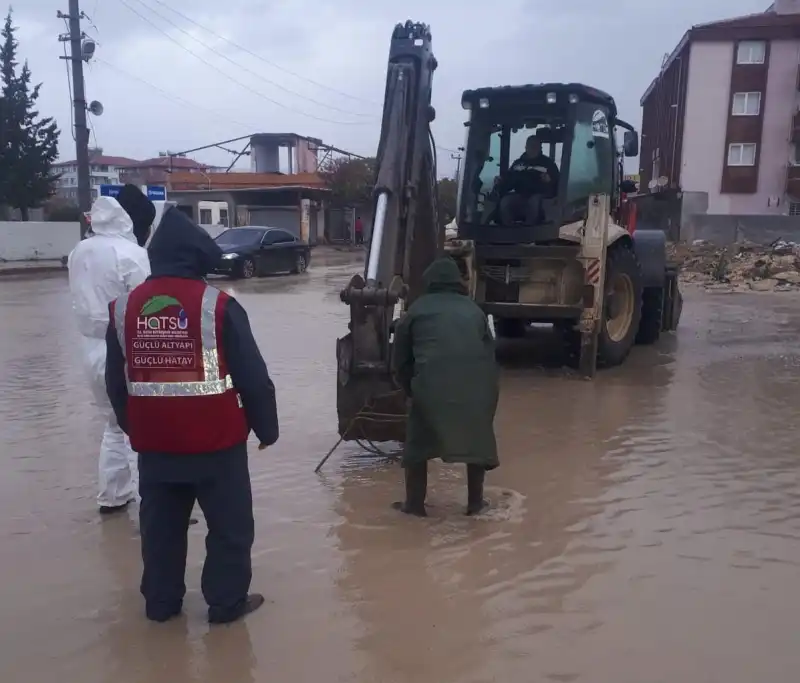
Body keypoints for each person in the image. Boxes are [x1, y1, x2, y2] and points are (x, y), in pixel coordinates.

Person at [105, 206, 279, 624]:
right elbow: (254, 377)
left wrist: (136, 428)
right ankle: (225, 604)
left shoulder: (122, 308)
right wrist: (267, 428)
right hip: (217, 445)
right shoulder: (218, 306)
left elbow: (116, 383)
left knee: (160, 530)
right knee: (229, 529)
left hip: (155, 447)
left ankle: (162, 605)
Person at [391, 256, 499, 517]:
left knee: (417, 445)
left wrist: (412, 391)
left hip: (429, 389)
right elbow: (489, 356)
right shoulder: (475, 311)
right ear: (457, 282)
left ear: (428, 281)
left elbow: (400, 362)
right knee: (476, 439)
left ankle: (414, 506)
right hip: (477, 392)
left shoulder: (415, 311)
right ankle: (476, 504)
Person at [68, 195, 153, 514]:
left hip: (89, 347)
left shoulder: (79, 251)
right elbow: (146, 302)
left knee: (113, 422)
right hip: (124, 345)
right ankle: (153, 503)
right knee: (141, 421)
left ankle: (113, 495)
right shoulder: (130, 253)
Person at [496, 135, 560, 226]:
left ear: (540, 147)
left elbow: (558, 182)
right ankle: (508, 228)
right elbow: (509, 179)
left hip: (541, 195)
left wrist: (549, 180)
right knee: (506, 201)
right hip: (521, 194)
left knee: (534, 201)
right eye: (531, 145)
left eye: (536, 146)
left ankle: (529, 230)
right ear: (526, 147)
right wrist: (501, 182)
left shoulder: (548, 163)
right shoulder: (518, 164)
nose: (533, 148)